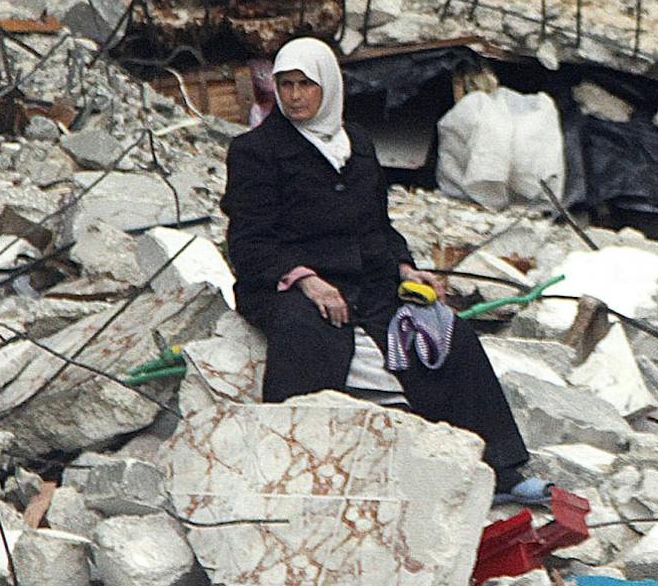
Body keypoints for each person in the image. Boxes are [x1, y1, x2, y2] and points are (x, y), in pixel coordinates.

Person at [222, 36, 550, 504]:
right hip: (286, 283)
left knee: (447, 333)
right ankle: (295, 473)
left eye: (305, 85)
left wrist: (405, 268)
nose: (294, 96)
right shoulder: (256, 151)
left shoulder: (355, 142)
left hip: (366, 281)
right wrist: (306, 280)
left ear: (328, 87)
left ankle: (500, 469)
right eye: (286, 85)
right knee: (312, 338)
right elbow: (249, 243)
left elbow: (376, 225)